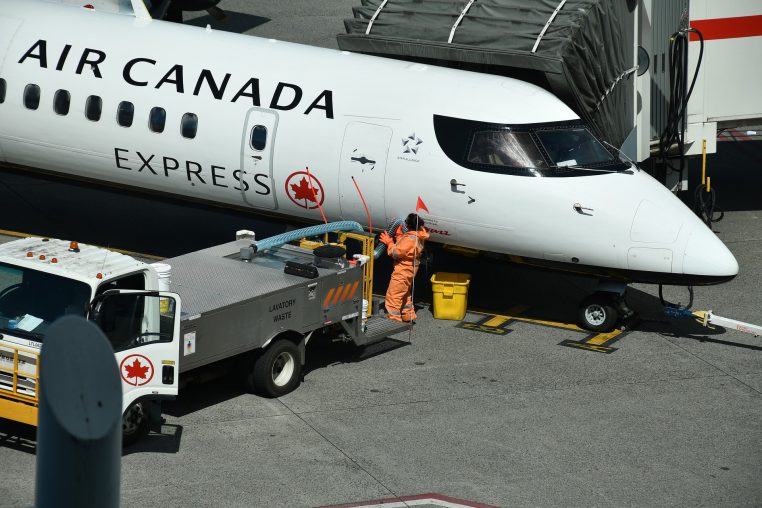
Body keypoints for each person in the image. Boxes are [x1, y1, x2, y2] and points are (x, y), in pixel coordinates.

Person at [379, 213, 429, 322]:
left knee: (394, 295)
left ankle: (394, 319)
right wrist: (399, 236)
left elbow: (396, 253)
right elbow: (407, 247)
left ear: (408, 224)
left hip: (403, 270)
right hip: (410, 270)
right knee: (405, 293)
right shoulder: (418, 235)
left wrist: (389, 242)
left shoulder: (410, 238)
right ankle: (408, 315)